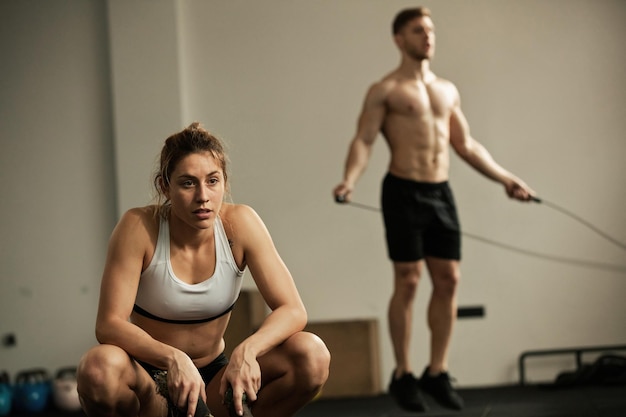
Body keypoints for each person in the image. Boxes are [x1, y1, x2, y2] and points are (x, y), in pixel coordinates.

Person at [333, 7, 535, 413]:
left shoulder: (446, 90)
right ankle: (403, 373)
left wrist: (506, 179)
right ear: (398, 39)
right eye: (417, 30)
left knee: (449, 279)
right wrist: (350, 179)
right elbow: (365, 140)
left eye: (430, 30)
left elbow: (466, 145)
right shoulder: (385, 90)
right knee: (408, 280)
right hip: (402, 191)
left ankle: (436, 371)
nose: (427, 37)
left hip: (440, 192)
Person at [77, 123, 330, 417]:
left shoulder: (241, 224)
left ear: (224, 182)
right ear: (165, 186)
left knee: (311, 354)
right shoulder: (138, 227)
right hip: (148, 383)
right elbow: (109, 324)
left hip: (213, 384)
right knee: (97, 369)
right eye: (187, 183)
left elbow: (293, 310)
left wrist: (247, 350)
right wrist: (172, 358)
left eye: (212, 181)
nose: (203, 196)